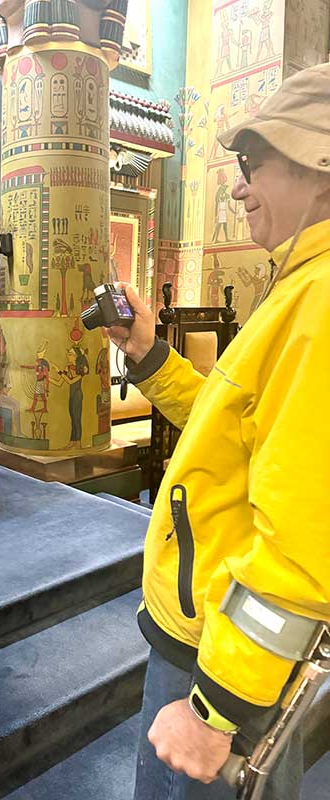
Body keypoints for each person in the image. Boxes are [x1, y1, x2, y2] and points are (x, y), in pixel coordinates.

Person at [106, 62, 330, 799]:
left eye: (253, 163)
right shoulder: (301, 283)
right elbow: (234, 433)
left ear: (321, 165)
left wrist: (215, 708)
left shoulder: (322, 301)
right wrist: (145, 353)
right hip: (219, 632)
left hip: (220, 652)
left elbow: (306, 542)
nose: (236, 187)